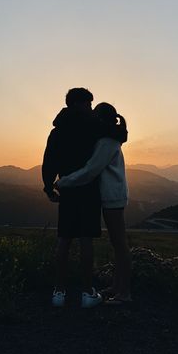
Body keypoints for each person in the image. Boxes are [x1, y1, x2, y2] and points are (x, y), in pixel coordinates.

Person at [42, 89, 127, 308]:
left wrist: (49, 186)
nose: (91, 107)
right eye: (88, 103)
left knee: (64, 239)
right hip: (88, 190)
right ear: (78, 104)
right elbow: (116, 135)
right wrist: (121, 127)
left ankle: (58, 292)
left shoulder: (57, 130)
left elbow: (49, 159)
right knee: (86, 239)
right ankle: (88, 292)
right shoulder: (91, 126)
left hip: (68, 189)